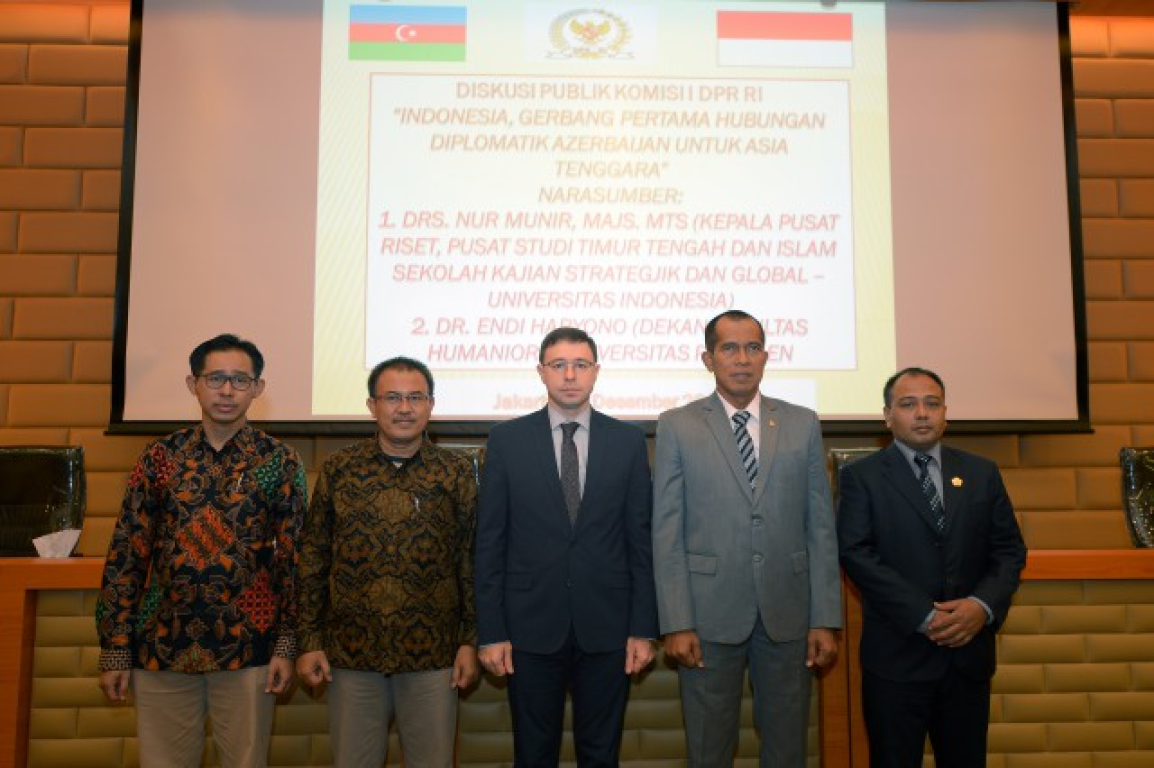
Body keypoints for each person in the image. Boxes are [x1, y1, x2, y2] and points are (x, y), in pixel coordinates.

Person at [96, 333, 306, 768]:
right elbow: (126, 553)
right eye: (215, 379)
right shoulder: (160, 457)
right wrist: (115, 646)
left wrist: (287, 643)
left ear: (258, 389)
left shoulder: (278, 461)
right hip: (161, 643)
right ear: (193, 384)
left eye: (239, 380)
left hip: (249, 645)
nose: (227, 391)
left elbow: (292, 558)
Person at [652, 309, 842, 768]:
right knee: (709, 747)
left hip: (789, 615)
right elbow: (667, 530)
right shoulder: (678, 424)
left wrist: (825, 618)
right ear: (708, 358)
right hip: (706, 615)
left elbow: (820, 526)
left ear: (766, 357)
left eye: (752, 348)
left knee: (787, 747)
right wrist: (676, 621)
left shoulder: (801, 422)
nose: (742, 359)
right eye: (729, 348)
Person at [474, 326, 657, 767]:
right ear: (541, 372)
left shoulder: (628, 442)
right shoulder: (507, 441)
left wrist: (643, 627)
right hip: (529, 631)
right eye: (558, 365)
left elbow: (640, 542)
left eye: (580, 365)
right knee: (534, 755)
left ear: (596, 372)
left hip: (609, 629)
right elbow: (490, 543)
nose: (570, 375)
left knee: (601, 754)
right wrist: (492, 631)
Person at [837, 367, 1026, 768]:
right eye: (908, 404)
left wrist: (981, 606)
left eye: (932, 403)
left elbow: (1009, 550)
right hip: (897, 659)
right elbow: (855, 553)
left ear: (945, 413)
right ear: (887, 416)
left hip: (967, 658)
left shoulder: (981, 472)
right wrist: (924, 615)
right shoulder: (862, 477)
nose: (921, 413)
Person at [296, 357, 479, 767]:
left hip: (433, 654)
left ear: (431, 405)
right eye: (392, 397)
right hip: (351, 653)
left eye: (415, 397)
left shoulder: (456, 473)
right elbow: (313, 557)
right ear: (371, 405)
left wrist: (470, 640)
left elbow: (469, 558)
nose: (404, 408)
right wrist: (308, 642)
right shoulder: (340, 469)